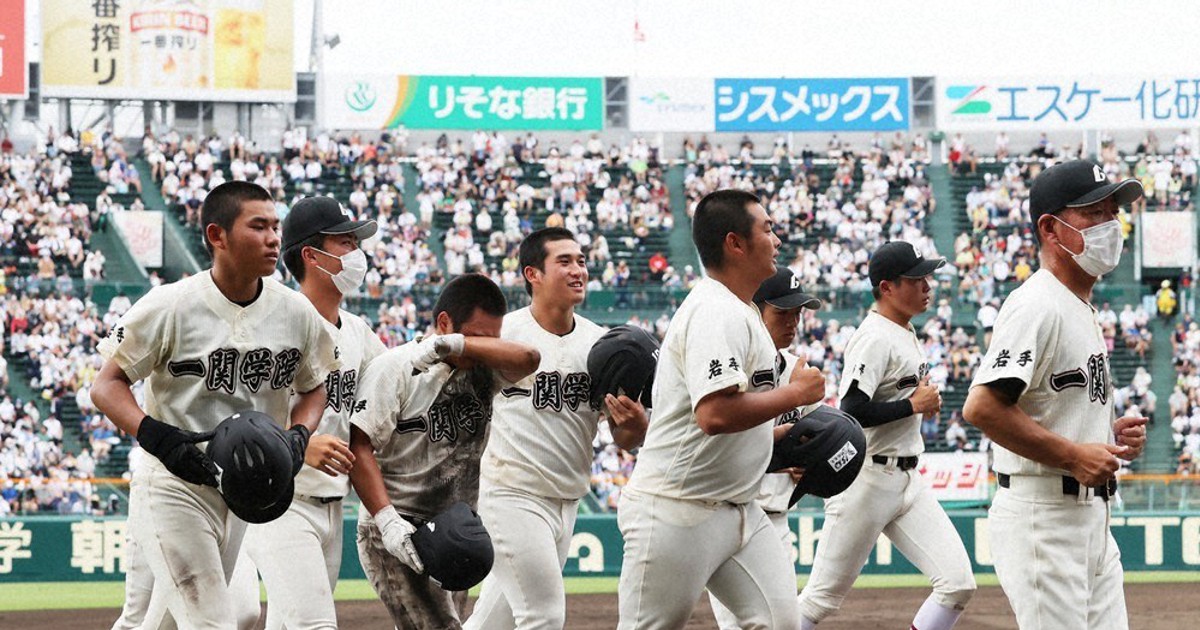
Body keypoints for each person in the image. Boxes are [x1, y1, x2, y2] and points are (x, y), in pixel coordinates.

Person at [90, 181, 337, 628]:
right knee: (213, 621)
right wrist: (157, 437)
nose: (273, 238)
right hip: (171, 483)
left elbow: (315, 386)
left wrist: (300, 434)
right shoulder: (171, 306)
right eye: (258, 226)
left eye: (275, 227)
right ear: (216, 236)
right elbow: (106, 385)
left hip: (240, 490)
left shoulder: (295, 313)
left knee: (156, 622)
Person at [615, 190, 825, 629]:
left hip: (740, 508)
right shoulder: (715, 310)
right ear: (735, 243)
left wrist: (776, 438)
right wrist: (795, 395)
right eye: (767, 229)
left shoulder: (741, 310)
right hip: (677, 509)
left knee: (780, 623)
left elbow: (735, 418)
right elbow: (713, 415)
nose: (777, 240)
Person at [964, 159, 1148, 630]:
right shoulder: (1037, 304)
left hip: (1089, 517)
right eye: (1094, 212)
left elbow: (1045, 405)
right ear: (1051, 227)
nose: (1111, 224)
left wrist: (1105, 432)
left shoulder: (1078, 305)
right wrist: (1071, 455)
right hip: (1043, 517)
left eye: (1113, 211)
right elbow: (982, 407)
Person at [465, 227, 649, 630]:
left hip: (567, 500)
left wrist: (637, 427)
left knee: (493, 623)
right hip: (510, 494)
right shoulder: (502, 334)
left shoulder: (601, 345)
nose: (577, 269)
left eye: (581, 261)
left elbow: (625, 436)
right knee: (543, 616)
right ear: (533, 274)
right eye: (564, 261)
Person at [797, 240, 975, 630]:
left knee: (957, 584)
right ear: (887, 287)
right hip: (867, 480)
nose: (927, 285)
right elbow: (852, 410)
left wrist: (917, 401)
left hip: (908, 479)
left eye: (927, 276)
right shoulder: (875, 336)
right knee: (820, 600)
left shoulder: (903, 330)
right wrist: (912, 405)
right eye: (916, 279)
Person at [350, 273, 541, 629]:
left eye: (491, 340)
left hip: (455, 532)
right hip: (397, 526)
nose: (481, 348)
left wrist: (456, 345)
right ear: (443, 322)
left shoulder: (483, 367)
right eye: (475, 337)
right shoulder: (396, 368)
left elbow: (529, 358)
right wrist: (388, 523)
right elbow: (359, 448)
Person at [236, 196, 386, 629]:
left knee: (288, 624)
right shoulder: (278, 322)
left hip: (332, 503)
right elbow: (240, 412)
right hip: (281, 501)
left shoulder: (358, 331)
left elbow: (398, 387)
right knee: (315, 625)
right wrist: (296, 442)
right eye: (345, 242)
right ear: (310, 254)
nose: (357, 252)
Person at [707, 266, 824, 629]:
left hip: (776, 518)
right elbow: (719, 438)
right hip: (725, 512)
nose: (792, 322)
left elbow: (816, 441)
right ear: (755, 310)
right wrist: (780, 449)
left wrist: (807, 461)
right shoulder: (732, 367)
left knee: (783, 623)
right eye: (782, 312)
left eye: (797, 313)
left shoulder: (799, 371)